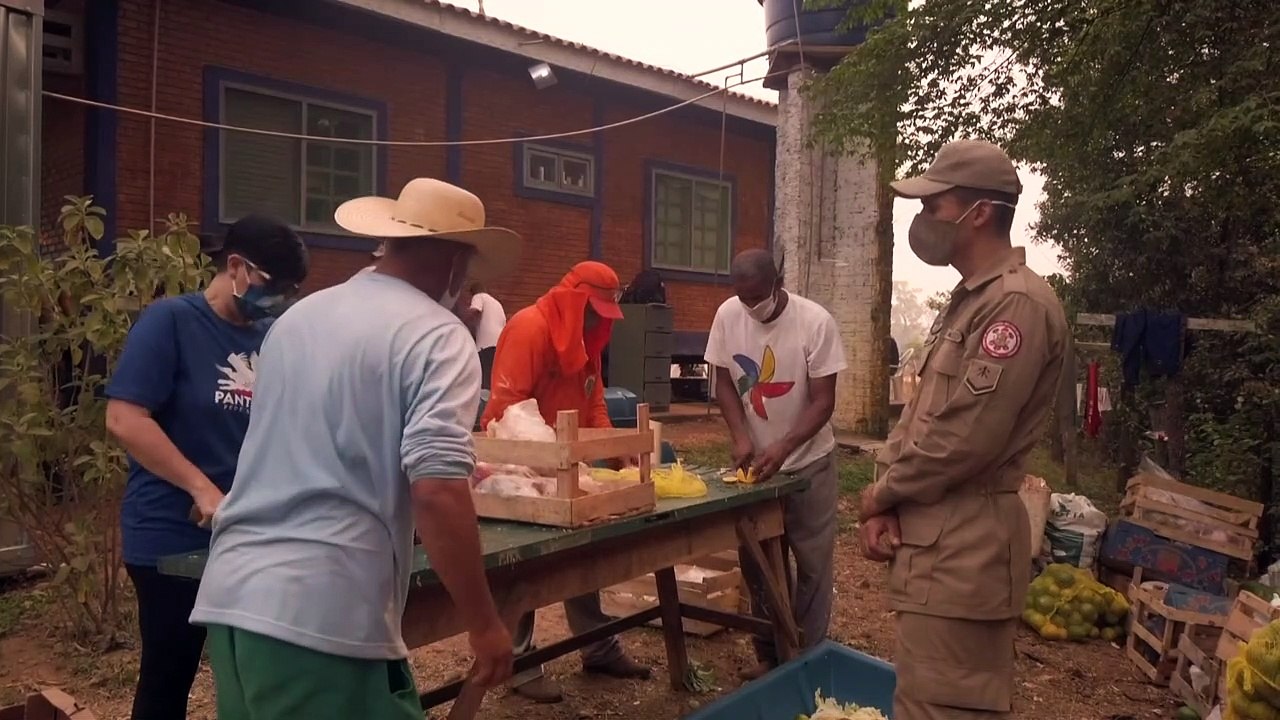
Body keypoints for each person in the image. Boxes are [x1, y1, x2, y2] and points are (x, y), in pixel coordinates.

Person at [189, 178, 519, 718]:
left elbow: (316, 438)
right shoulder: (438, 335)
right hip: (321, 615)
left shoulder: (299, 319)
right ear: (456, 263)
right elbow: (436, 490)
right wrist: (484, 624)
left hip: (233, 596)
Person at [857, 139, 1069, 719]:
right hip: (936, 547)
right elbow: (923, 413)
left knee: (942, 710)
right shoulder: (970, 302)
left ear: (978, 212)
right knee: (921, 700)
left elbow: (963, 440)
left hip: (965, 552)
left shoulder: (1016, 306)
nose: (924, 220)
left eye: (934, 206)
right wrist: (888, 507)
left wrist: (879, 494)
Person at [104, 215, 308, 720]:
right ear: (235, 266)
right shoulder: (170, 322)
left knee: (253, 677)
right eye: (275, 286)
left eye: (292, 290)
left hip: (247, 536)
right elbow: (126, 418)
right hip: (172, 538)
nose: (281, 298)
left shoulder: (271, 336)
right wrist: (202, 489)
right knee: (169, 677)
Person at [479, 261, 652, 703]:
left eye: (604, 314)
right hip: (520, 459)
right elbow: (508, 408)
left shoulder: (585, 340)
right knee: (525, 561)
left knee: (584, 551)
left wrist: (615, 450)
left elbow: (593, 403)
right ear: (575, 302)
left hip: (567, 460)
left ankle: (598, 647)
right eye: (592, 311)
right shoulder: (529, 328)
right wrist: (549, 460)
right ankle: (519, 665)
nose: (598, 321)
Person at [704, 248, 847, 680]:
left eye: (756, 298)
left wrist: (784, 446)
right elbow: (724, 381)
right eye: (741, 297)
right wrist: (741, 436)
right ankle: (769, 654)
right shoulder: (728, 314)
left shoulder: (814, 322)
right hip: (757, 467)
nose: (749, 307)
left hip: (809, 463)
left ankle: (807, 661)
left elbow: (824, 401)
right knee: (759, 564)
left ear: (777, 282)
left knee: (812, 567)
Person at [464, 281, 506, 389]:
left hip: (485, 345)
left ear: (472, 293)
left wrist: (461, 321)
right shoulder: (496, 303)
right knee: (492, 378)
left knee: (483, 379)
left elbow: (475, 310)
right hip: (499, 345)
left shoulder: (478, 296)